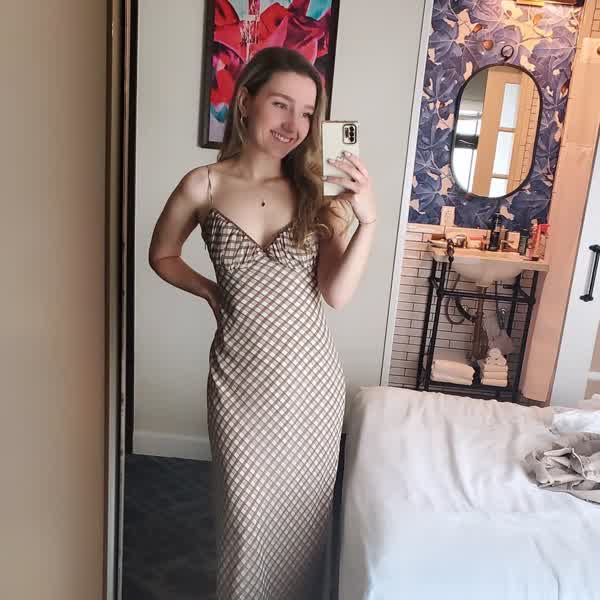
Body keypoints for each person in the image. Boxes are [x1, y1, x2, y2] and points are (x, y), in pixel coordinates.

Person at [148, 46, 376, 600]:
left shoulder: (317, 193)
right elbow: (162, 254)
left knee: (304, 526)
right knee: (246, 524)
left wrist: (366, 221)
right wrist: (208, 289)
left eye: (307, 112)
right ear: (246, 102)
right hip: (240, 386)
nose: (294, 125)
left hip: (310, 388)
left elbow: (336, 294)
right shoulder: (203, 184)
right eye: (280, 104)